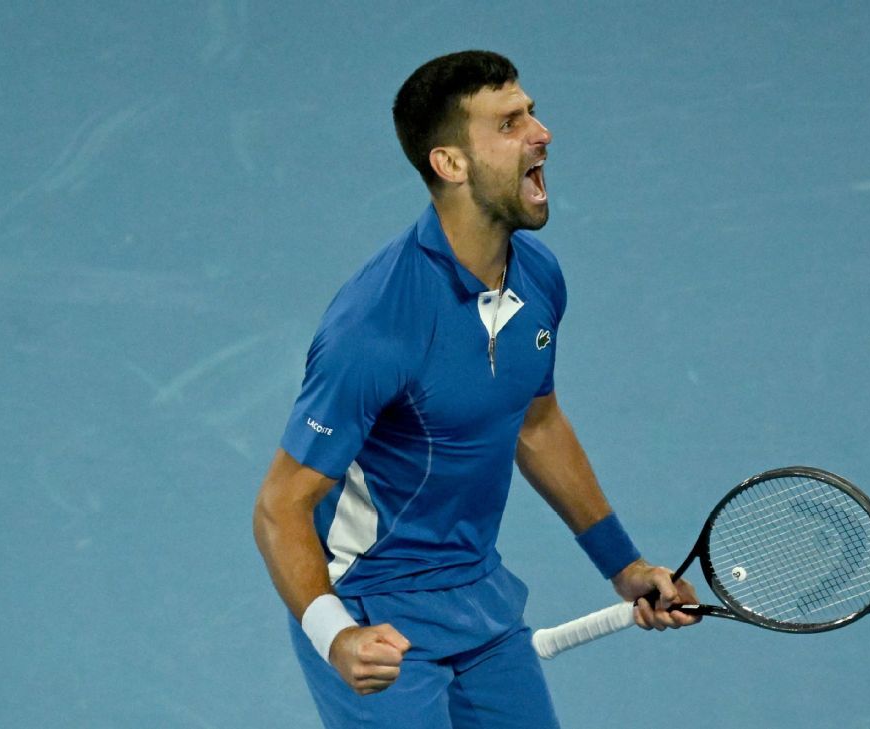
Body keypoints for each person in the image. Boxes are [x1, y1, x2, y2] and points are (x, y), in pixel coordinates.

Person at [253, 50, 699, 729]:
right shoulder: (377, 326)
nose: (542, 132)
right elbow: (281, 505)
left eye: (533, 112)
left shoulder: (538, 276)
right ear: (450, 163)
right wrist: (333, 634)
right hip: (375, 612)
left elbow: (537, 424)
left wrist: (623, 563)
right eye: (511, 122)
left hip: (478, 600)